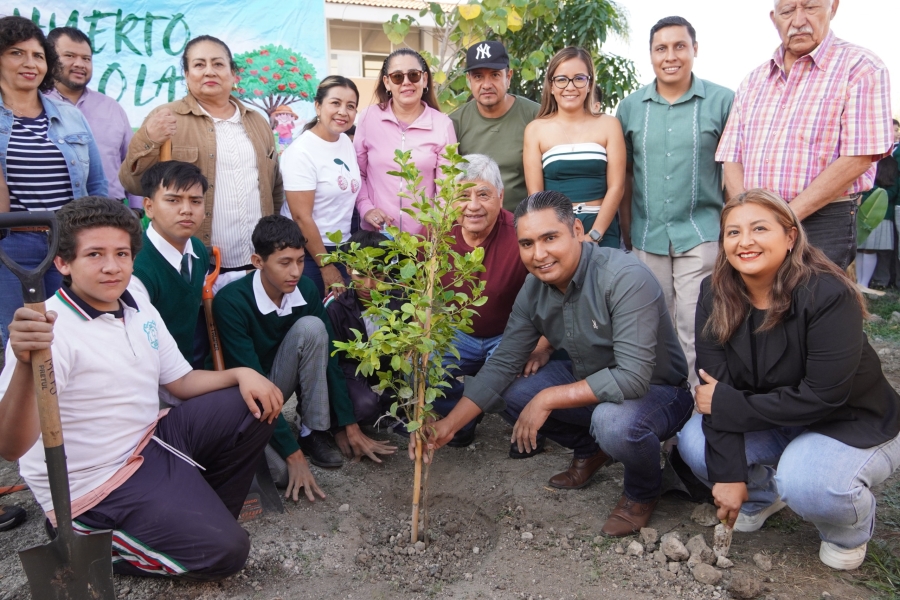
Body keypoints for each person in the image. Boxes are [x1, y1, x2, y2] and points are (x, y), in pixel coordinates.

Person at [0, 196, 283, 580]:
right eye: (95, 254)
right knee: (226, 554)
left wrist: (241, 374)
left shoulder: (136, 303)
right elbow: (10, 446)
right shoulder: (50, 331)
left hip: (151, 441)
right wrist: (24, 363)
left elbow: (180, 382)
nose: (112, 266)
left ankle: (196, 516)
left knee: (254, 403)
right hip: (97, 486)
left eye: (121, 253)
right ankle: (92, 540)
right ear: (63, 262)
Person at [415, 191, 692, 536]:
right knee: (513, 390)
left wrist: (547, 398)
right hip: (590, 382)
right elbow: (502, 364)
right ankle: (590, 450)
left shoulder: (623, 276)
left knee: (612, 421)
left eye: (550, 238)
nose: (539, 254)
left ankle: (641, 493)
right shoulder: (533, 289)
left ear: (577, 230)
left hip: (658, 391)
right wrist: (448, 426)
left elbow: (633, 378)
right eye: (527, 243)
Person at [677, 189, 900, 571]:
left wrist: (728, 403)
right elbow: (716, 384)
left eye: (759, 229)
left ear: (790, 236)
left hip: (848, 420)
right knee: (695, 443)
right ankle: (763, 497)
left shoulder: (828, 293)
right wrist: (729, 475)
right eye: (733, 232)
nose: (745, 241)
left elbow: (823, 396)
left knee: (807, 481)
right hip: (772, 416)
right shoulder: (714, 293)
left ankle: (847, 531)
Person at [213, 215, 395, 503]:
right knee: (281, 475)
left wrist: (348, 424)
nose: (295, 271)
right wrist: (292, 453)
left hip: (277, 384)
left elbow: (331, 360)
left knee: (312, 328)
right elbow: (252, 381)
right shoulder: (231, 301)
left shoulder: (306, 289)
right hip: (245, 396)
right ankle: (275, 443)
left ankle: (313, 432)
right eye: (284, 263)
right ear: (258, 261)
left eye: (300, 261)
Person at [716, 0, 893, 269]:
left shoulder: (861, 67)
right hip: (755, 222)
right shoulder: (753, 81)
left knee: (812, 295)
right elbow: (732, 157)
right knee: (753, 297)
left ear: (833, 8)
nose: (798, 21)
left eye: (810, 7)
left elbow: (859, 158)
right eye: (788, 11)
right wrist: (747, 220)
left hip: (823, 221)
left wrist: (781, 219)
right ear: (774, 18)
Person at [616, 16, 733, 389]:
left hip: (700, 233)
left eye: (679, 46)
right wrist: (627, 230)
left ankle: (698, 410)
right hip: (647, 235)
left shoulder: (723, 101)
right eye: (661, 48)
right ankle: (662, 406)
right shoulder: (630, 108)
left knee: (695, 326)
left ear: (694, 49)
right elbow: (625, 175)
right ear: (650, 54)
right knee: (653, 326)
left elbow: (733, 171)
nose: (670, 56)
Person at [120, 35, 283, 290]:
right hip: (196, 264)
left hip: (256, 262)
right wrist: (149, 138)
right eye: (199, 65)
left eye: (218, 64)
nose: (209, 71)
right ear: (186, 75)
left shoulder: (257, 121)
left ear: (233, 74)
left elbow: (275, 188)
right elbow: (133, 183)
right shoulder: (166, 118)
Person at [0, 16, 107, 346]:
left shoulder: (70, 116)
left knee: (74, 337)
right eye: (16, 53)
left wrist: (93, 239)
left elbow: (96, 186)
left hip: (68, 241)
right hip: (12, 245)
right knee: (21, 341)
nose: (30, 63)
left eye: (38, 55)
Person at [434, 154, 529, 447]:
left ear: (500, 196)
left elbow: (553, 294)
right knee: (422, 365)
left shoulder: (522, 233)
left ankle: (528, 433)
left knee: (520, 388)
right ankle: (460, 423)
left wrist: (542, 345)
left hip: (508, 336)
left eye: (483, 194)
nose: (473, 205)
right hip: (458, 334)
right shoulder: (437, 234)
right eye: (463, 196)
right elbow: (421, 295)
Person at [523, 47, 626, 249]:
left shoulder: (609, 125)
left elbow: (617, 187)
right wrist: (558, 235)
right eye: (562, 79)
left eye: (579, 78)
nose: (570, 87)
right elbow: (536, 195)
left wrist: (595, 235)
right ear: (551, 86)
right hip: (557, 231)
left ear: (589, 84)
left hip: (603, 230)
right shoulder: (535, 130)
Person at [354, 48, 457, 235]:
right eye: (397, 77)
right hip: (377, 236)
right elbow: (357, 173)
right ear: (387, 82)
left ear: (424, 79)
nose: (406, 82)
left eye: (413, 75)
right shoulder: (368, 118)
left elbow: (447, 188)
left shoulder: (442, 125)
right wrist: (366, 208)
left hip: (424, 239)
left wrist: (436, 226)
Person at [280, 76, 359, 299]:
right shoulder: (301, 152)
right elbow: (301, 217)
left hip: (342, 248)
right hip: (310, 252)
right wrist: (326, 265)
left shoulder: (345, 141)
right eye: (335, 103)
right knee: (318, 316)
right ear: (318, 106)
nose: (343, 112)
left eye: (350, 106)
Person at [45, 27, 140, 206]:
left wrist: (137, 209)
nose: (80, 64)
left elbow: (133, 163)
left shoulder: (111, 108)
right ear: (49, 58)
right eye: (70, 56)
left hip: (111, 211)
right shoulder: (35, 105)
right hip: (52, 213)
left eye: (86, 59)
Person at [130, 161, 210, 368]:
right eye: (173, 200)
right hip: (149, 374)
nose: (186, 210)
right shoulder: (136, 267)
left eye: (195, 201)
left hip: (188, 370)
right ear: (149, 207)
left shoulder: (198, 250)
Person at [449, 42, 539, 212]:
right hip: (474, 218)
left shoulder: (535, 116)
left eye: (495, 75)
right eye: (478, 77)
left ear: (508, 76)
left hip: (524, 219)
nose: (486, 84)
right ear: (469, 80)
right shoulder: (454, 123)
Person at [325, 229, 400, 427]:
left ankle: (390, 407)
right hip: (351, 367)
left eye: (377, 275)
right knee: (365, 407)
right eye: (361, 275)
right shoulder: (336, 305)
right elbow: (331, 366)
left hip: (387, 362)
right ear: (349, 268)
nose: (369, 285)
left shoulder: (400, 296)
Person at [856, 157, 899, 290]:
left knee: (867, 249)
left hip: (877, 216)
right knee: (861, 249)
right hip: (869, 215)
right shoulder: (869, 163)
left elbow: (890, 193)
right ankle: (860, 282)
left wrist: (871, 192)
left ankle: (863, 283)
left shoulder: (889, 167)